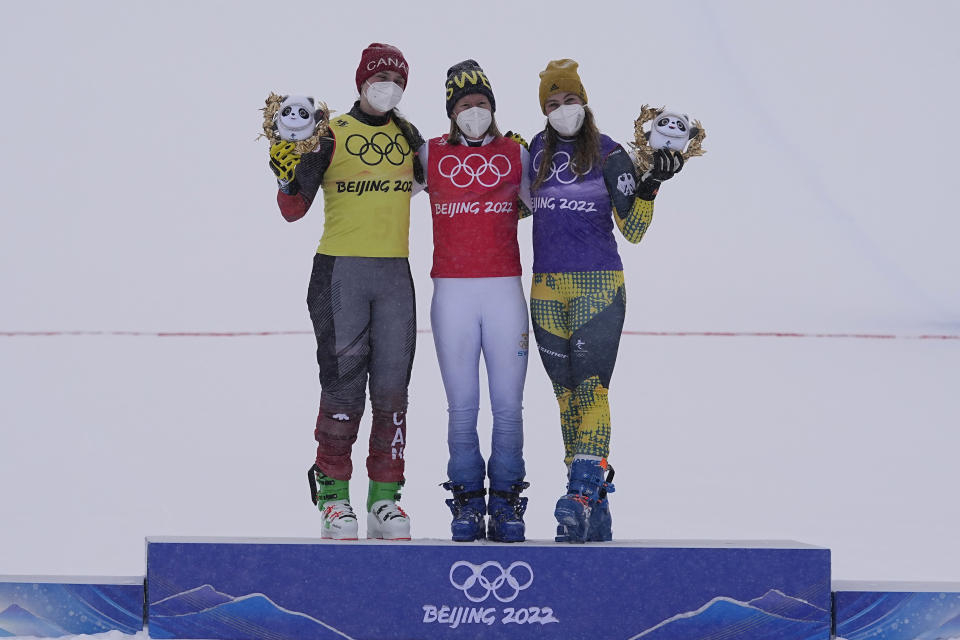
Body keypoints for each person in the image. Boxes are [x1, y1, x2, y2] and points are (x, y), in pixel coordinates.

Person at [268, 43, 425, 541]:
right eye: (379, 78)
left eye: (397, 80)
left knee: (393, 392)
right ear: (360, 82)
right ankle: (334, 499)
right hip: (340, 274)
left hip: (395, 276)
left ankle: (384, 500)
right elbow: (292, 209)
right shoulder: (329, 132)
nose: (388, 87)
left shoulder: (407, 134)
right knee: (343, 389)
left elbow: (445, 182)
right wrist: (286, 166)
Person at [527, 59, 683, 543]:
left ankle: (580, 488)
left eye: (570, 100)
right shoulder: (534, 150)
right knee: (565, 397)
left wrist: (652, 184)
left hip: (598, 286)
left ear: (585, 102)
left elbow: (633, 229)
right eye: (553, 104)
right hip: (545, 287)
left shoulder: (611, 153)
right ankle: (593, 508)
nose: (562, 110)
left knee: (592, 388)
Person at [417, 60, 532, 542]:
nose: (474, 112)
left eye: (482, 104)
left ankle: (505, 500)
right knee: (462, 406)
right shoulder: (427, 152)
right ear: (451, 111)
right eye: (465, 105)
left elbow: (544, 200)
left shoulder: (517, 153)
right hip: (453, 293)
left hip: (505, 289)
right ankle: (465, 498)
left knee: (508, 406)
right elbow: (376, 185)